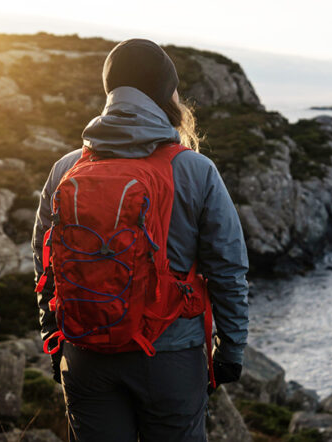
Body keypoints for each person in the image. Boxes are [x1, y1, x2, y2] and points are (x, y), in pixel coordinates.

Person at [32, 38, 249, 442]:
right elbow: (228, 268)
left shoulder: (66, 167)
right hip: (168, 359)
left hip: (85, 352)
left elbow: (44, 261)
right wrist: (230, 349)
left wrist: (52, 335)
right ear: (166, 95)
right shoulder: (195, 169)